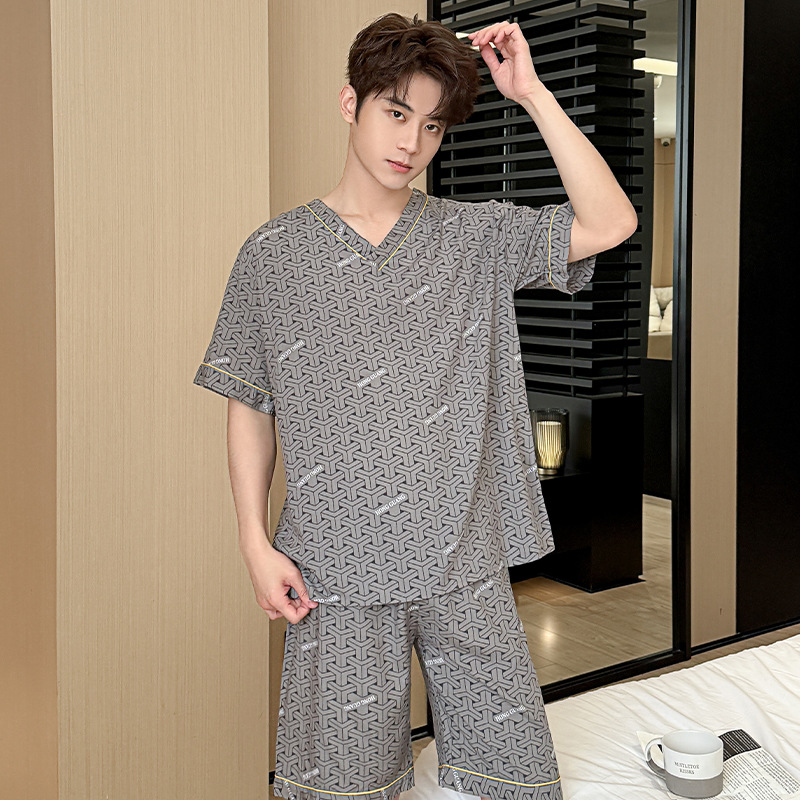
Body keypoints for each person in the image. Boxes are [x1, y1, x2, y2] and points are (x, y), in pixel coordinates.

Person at [193, 12, 637, 800]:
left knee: (514, 777)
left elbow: (611, 222)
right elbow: (250, 405)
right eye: (396, 113)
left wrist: (532, 94)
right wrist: (254, 543)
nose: (412, 142)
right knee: (346, 786)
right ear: (350, 103)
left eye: (432, 125)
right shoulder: (273, 254)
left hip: (464, 556)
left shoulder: (474, 236)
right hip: (334, 565)